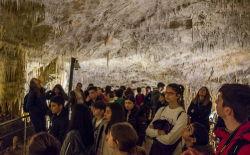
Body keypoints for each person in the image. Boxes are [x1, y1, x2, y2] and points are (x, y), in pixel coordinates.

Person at [182, 84, 250, 155]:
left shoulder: (245, 148)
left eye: (219, 100)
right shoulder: (229, 135)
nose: (216, 102)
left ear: (227, 110)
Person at [146, 83, 187, 155]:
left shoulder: (182, 115)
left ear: (178, 95)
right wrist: (161, 132)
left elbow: (169, 140)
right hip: (156, 150)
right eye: (166, 92)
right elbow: (148, 131)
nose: (167, 95)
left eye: (170, 93)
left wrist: (155, 134)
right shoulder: (161, 110)